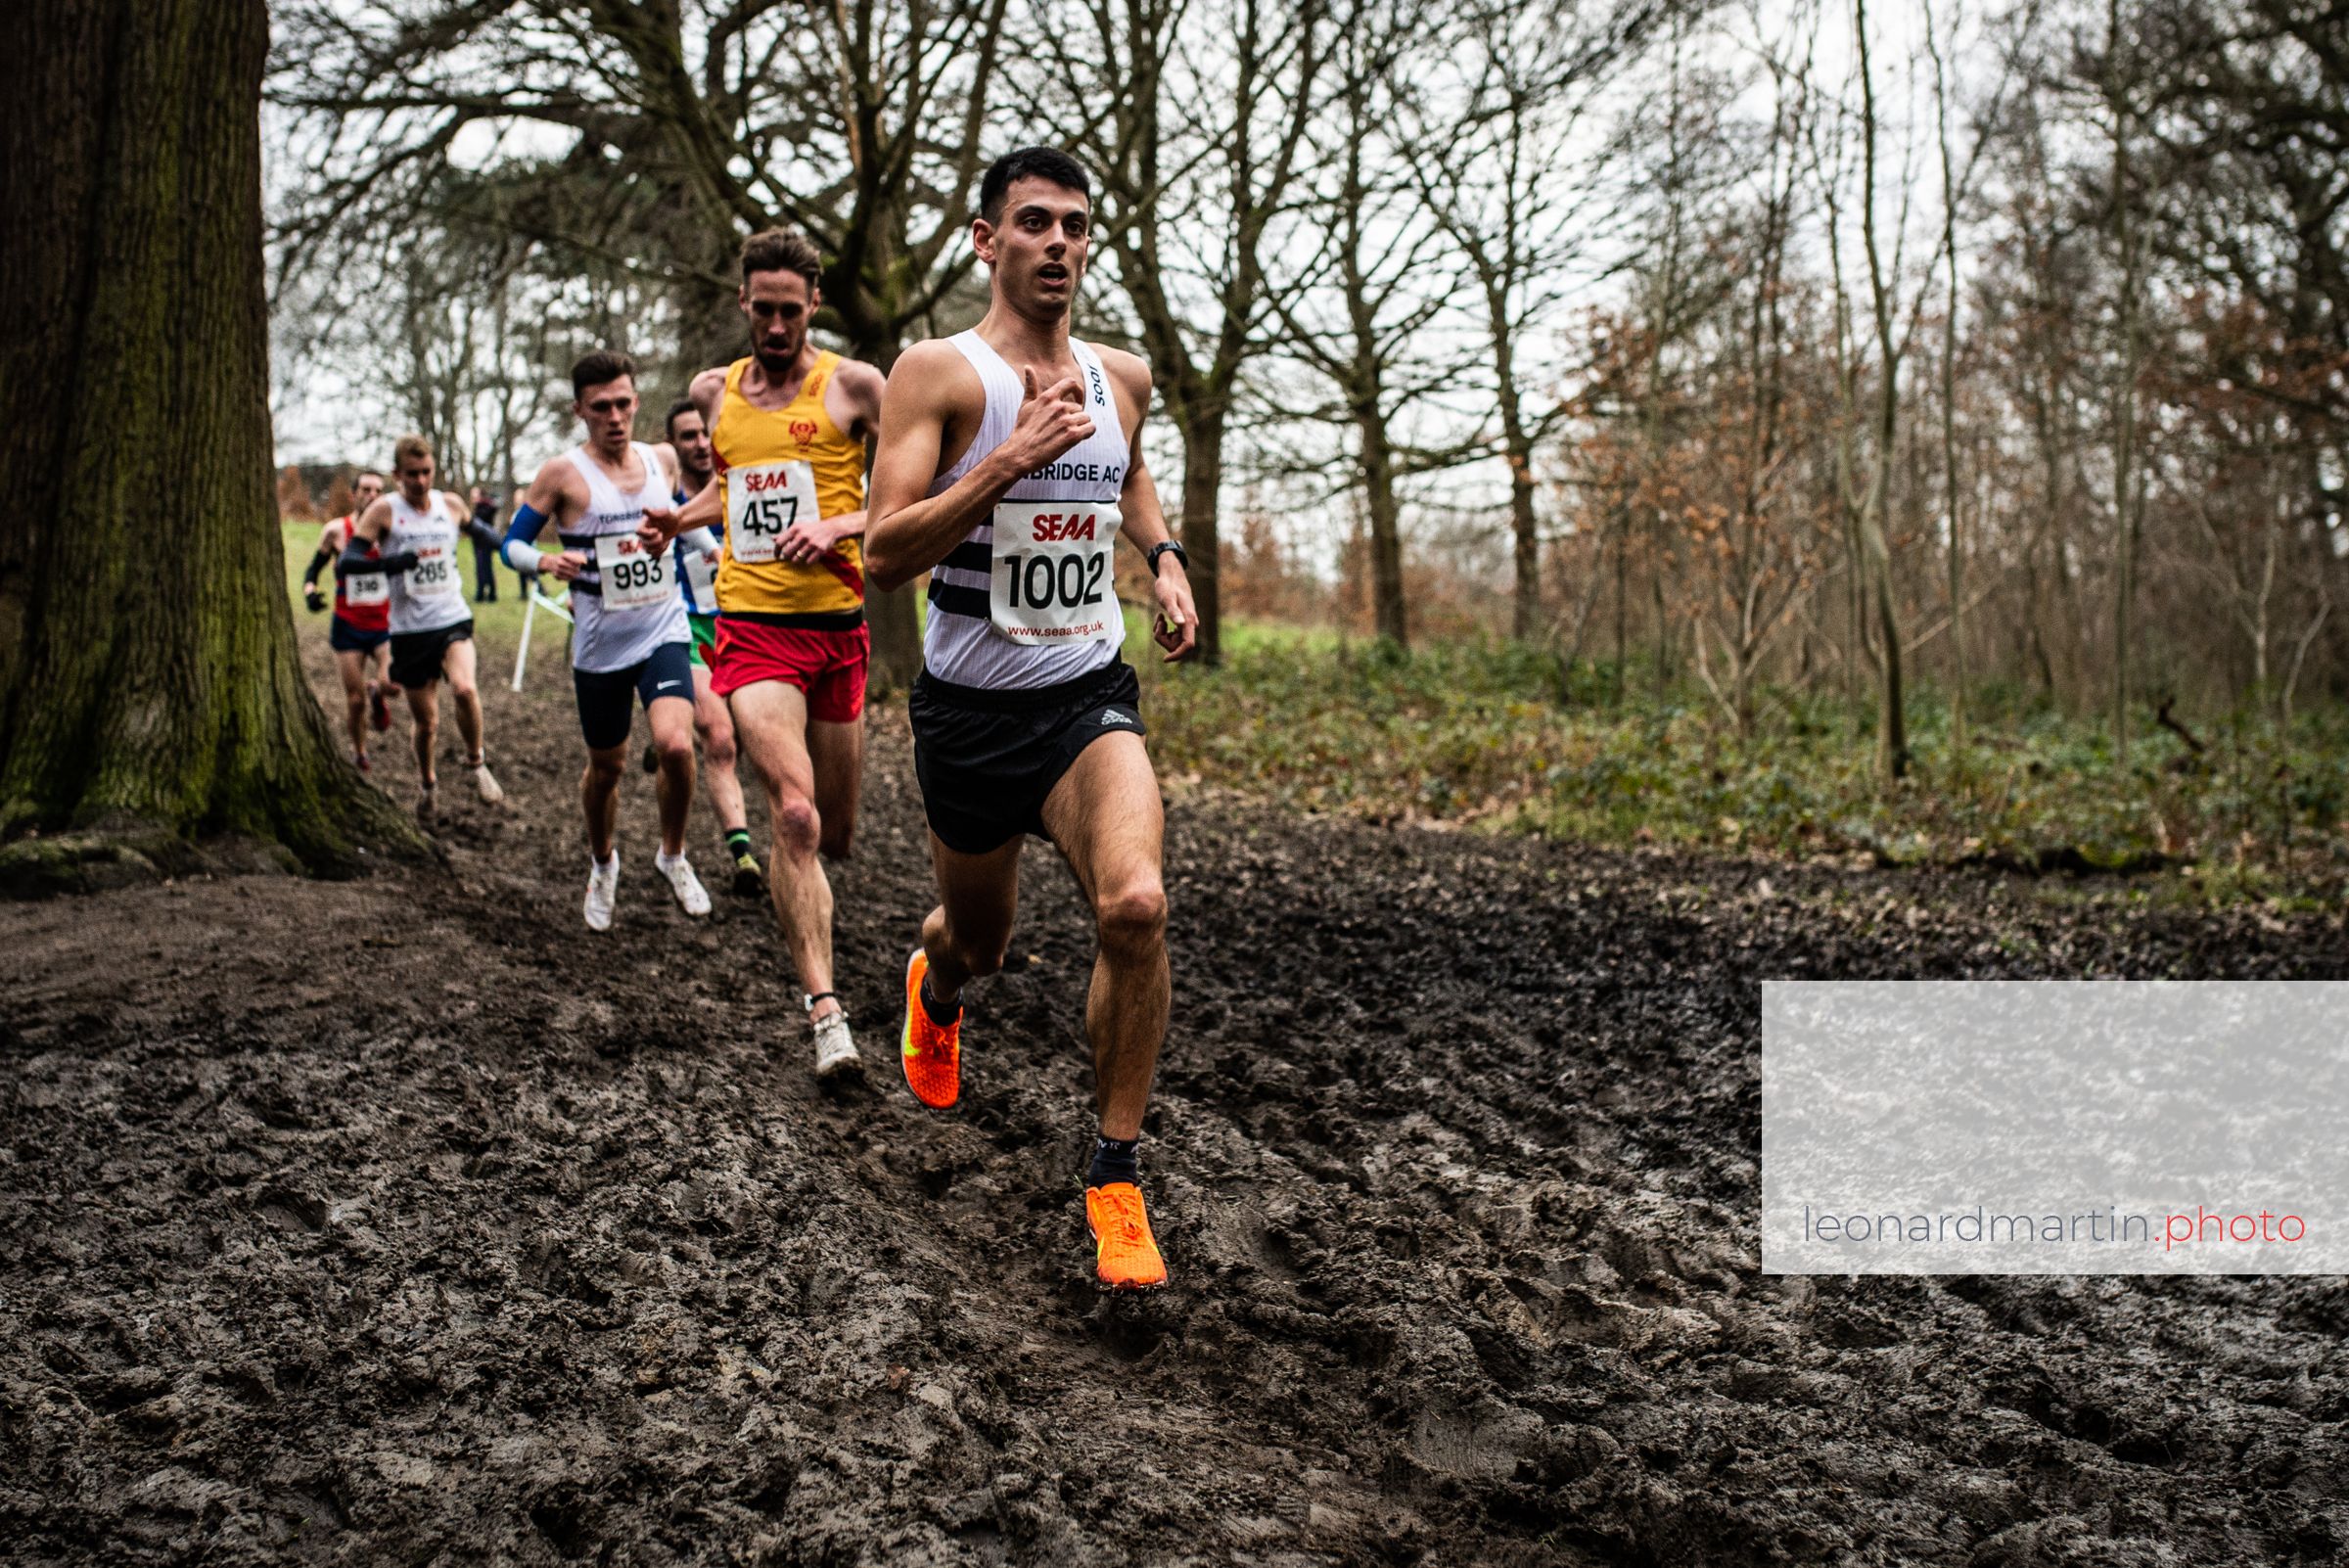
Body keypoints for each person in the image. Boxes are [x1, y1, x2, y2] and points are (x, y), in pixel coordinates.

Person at [861, 147, 1199, 1291]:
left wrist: (1163, 557)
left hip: (1084, 696)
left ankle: (1116, 1175)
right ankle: (938, 986)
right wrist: (1007, 460)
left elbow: (1127, 470)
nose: (1059, 242)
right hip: (968, 714)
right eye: (1035, 221)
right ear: (986, 239)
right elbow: (884, 554)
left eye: (1076, 225)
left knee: (1137, 904)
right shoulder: (937, 374)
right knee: (983, 944)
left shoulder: (1121, 375)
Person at [637, 227, 885, 1081]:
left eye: (791, 311)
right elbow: (734, 487)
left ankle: (806, 901)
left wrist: (839, 524)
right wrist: (679, 518)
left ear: (813, 304)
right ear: (742, 301)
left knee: (835, 832)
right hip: (751, 628)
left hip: (838, 630)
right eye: (763, 310)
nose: (776, 326)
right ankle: (826, 1014)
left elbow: (914, 488)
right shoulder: (714, 393)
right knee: (795, 815)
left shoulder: (855, 386)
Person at [501, 351, 711, 931]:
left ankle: (673, 855)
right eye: (600, 408)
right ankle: (602, 862)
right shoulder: (561, 474)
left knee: (676, 746)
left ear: (636, 401)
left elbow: (678, 524)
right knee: (607, 769)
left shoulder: (661, 459)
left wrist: (715, 552)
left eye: (623, 404)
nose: (615, 417)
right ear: (579, 410)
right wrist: (545, 560)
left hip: (662, 627)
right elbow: (510, 545)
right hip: (600, 645)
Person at [340, 436, 506, 821]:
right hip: (409, 630)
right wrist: (391, 563)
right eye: (412, 474)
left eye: (426, 472)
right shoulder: (383, 511)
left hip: (452, 617)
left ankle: (477, 762)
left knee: (465, 688)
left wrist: (524, 554)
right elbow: (348, 562)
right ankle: (428, 784)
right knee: (427, 723)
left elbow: (487, 536)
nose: (420, 481)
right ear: (397, 474)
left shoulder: (450, 505)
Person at [648, 396, 764, 897]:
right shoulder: (664, 496)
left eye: (705, 433)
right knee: (719, 737)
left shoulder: (748, 482)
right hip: (687, 628)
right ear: (672, 445)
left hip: (747, 625)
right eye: (687, 436)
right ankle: (742, 852)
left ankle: (667, 727)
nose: (700, 444)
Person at [302, 469, 393, 770]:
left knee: (392, 683)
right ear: (354, 495)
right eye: (366, 490)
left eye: (378, 491)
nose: (372, 496)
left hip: (384, 625)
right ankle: (359, 751)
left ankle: (377, 692)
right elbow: (313, 570)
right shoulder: (336, 531)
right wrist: (310, 592)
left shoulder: (391, 531)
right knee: (355, 700)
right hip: (348, 626)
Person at [469, 486, 502, 602]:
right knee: (481, 569)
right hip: (478, 544)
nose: (472, 497)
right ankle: (483, 593)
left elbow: (493, 509)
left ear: (480, 496)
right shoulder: (479, 508)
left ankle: (489, 594)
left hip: (485, 544)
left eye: (474, 495)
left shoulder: (486, 508)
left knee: (485, 569)